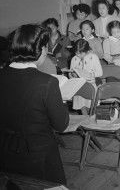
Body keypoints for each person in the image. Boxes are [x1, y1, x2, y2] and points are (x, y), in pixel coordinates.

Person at [0, 24, 69, 184]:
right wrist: (62, 101)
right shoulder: (47, 83)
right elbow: (61, 125)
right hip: (39, 155)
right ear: (42, 49)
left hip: (5, 152)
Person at [70, 39, 103, 113]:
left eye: (81, 53)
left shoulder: (93, 57)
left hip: (92, 83)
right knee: (82, 106)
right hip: (79, 85)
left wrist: (90, 75)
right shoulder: (74, 59)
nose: (78, 55)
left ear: (87, 51)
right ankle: (84, 117)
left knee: (91, 106)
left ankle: (91, 115)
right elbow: (71, 74)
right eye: (76, 53)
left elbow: (100, 73)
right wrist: (73, 74)